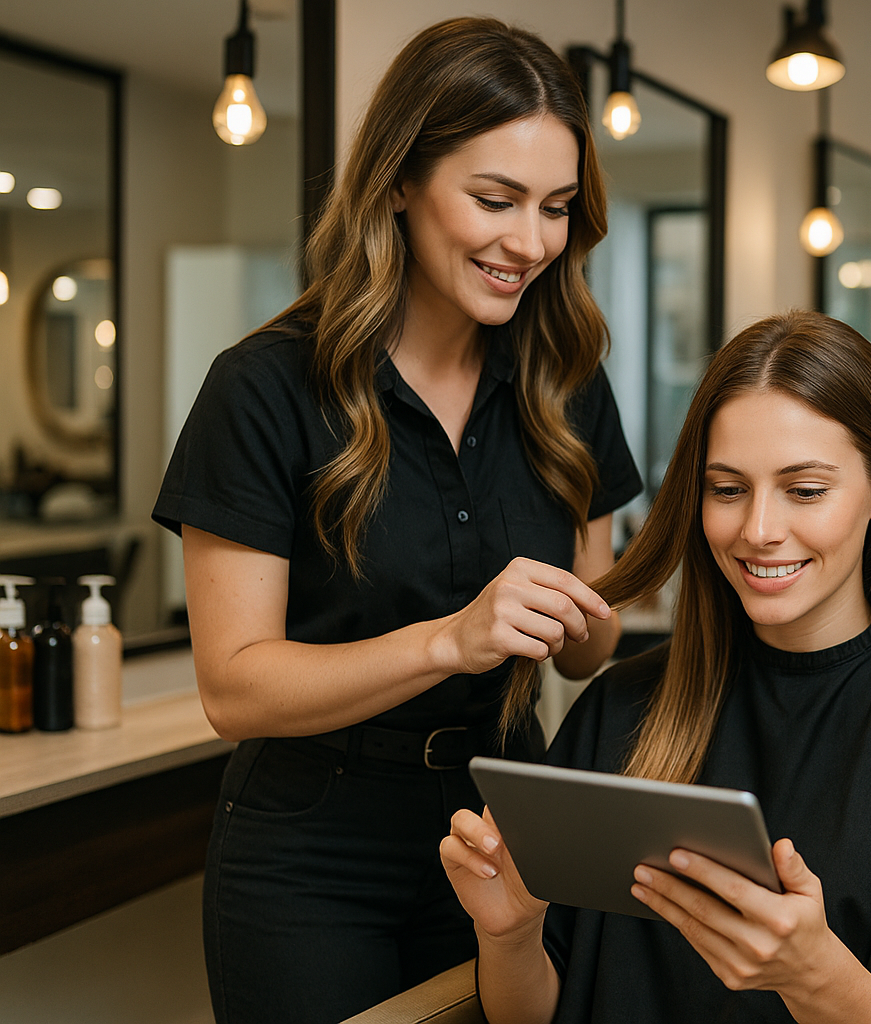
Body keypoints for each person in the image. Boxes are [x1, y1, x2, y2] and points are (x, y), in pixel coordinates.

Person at [152, 19, 642, 1024]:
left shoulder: (568, 380)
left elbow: (592, 644)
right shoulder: (263, 390)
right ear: (397, 182)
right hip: (313, 852)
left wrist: (588, 623)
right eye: (494, 200)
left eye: (554, 209)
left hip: (510, 818)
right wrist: (450, 639)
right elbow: (234, 687)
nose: (529, 242)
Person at [442, 312, 871, 1024]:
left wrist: (816, 978)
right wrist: (510, 934)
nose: (759, 529)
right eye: (728, 489)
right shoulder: (622, 710)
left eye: (805, 490)